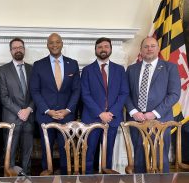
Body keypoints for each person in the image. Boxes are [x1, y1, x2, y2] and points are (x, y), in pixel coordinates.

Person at [126, 36, 181, 173]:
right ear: (141, 50)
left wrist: (154, 113)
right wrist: (133, 112)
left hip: (160, 120)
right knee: (139, 159)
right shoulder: (131, 69)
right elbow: (124, 93)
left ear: (158, 49)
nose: (149, 49)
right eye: (146, 46)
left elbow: (174, 94)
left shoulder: (170, 68)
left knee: (160, 160)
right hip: (137, 120)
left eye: (152, 46)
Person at [30, 33, 81, 174]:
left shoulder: (73, 64)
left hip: (66, 116)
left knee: (66, 148)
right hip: (46, 116)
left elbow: (76, 90)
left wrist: (68, 110)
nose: (54, 45)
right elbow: (35, 90)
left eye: (57, 42)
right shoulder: (39, 65)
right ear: (47, 45)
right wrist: (47, 110)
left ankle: (65, 176)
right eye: (51, 42)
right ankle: (46, 176)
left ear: (62, 43)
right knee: (46, 148)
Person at [81, 37, 129, 174]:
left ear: (111, 49)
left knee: (108, 154)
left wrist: (111, 113)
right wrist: (100, 113)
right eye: (100, 47)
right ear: (95, 50)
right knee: (89, 153)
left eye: (106, 46)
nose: (103, 49)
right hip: (92, 119)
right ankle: (88, 181)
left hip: (112, 119)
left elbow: (124, 93)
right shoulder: (87, 70)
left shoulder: (120, 70)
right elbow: (85, 94)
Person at [0, 38, 34, 175]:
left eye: (20, 47)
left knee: (27, 154)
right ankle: (10, 182)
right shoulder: (3, 70)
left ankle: (28, 180)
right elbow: (3, 96)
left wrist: (28, 109)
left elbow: (36, 93)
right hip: (11, 118)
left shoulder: (32, 69)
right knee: (10, 153)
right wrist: (19, 111)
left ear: (24, 49)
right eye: (15, 48)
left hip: (29, 118)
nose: (18, 49)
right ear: (11, 51)